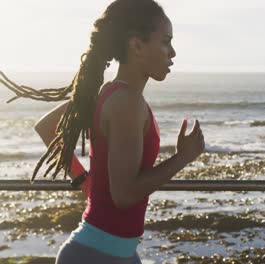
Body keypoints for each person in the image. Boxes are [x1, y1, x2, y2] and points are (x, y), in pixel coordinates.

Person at [1, 0, 204, 263]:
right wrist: (182, 158)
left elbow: (47, 127)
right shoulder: (126, 102)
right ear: (137, 45)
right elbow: (124, 195)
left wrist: (83, 181)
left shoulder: (108, 93)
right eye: (165, 41)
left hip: (118, 253)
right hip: (95, 255)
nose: (173, 52)